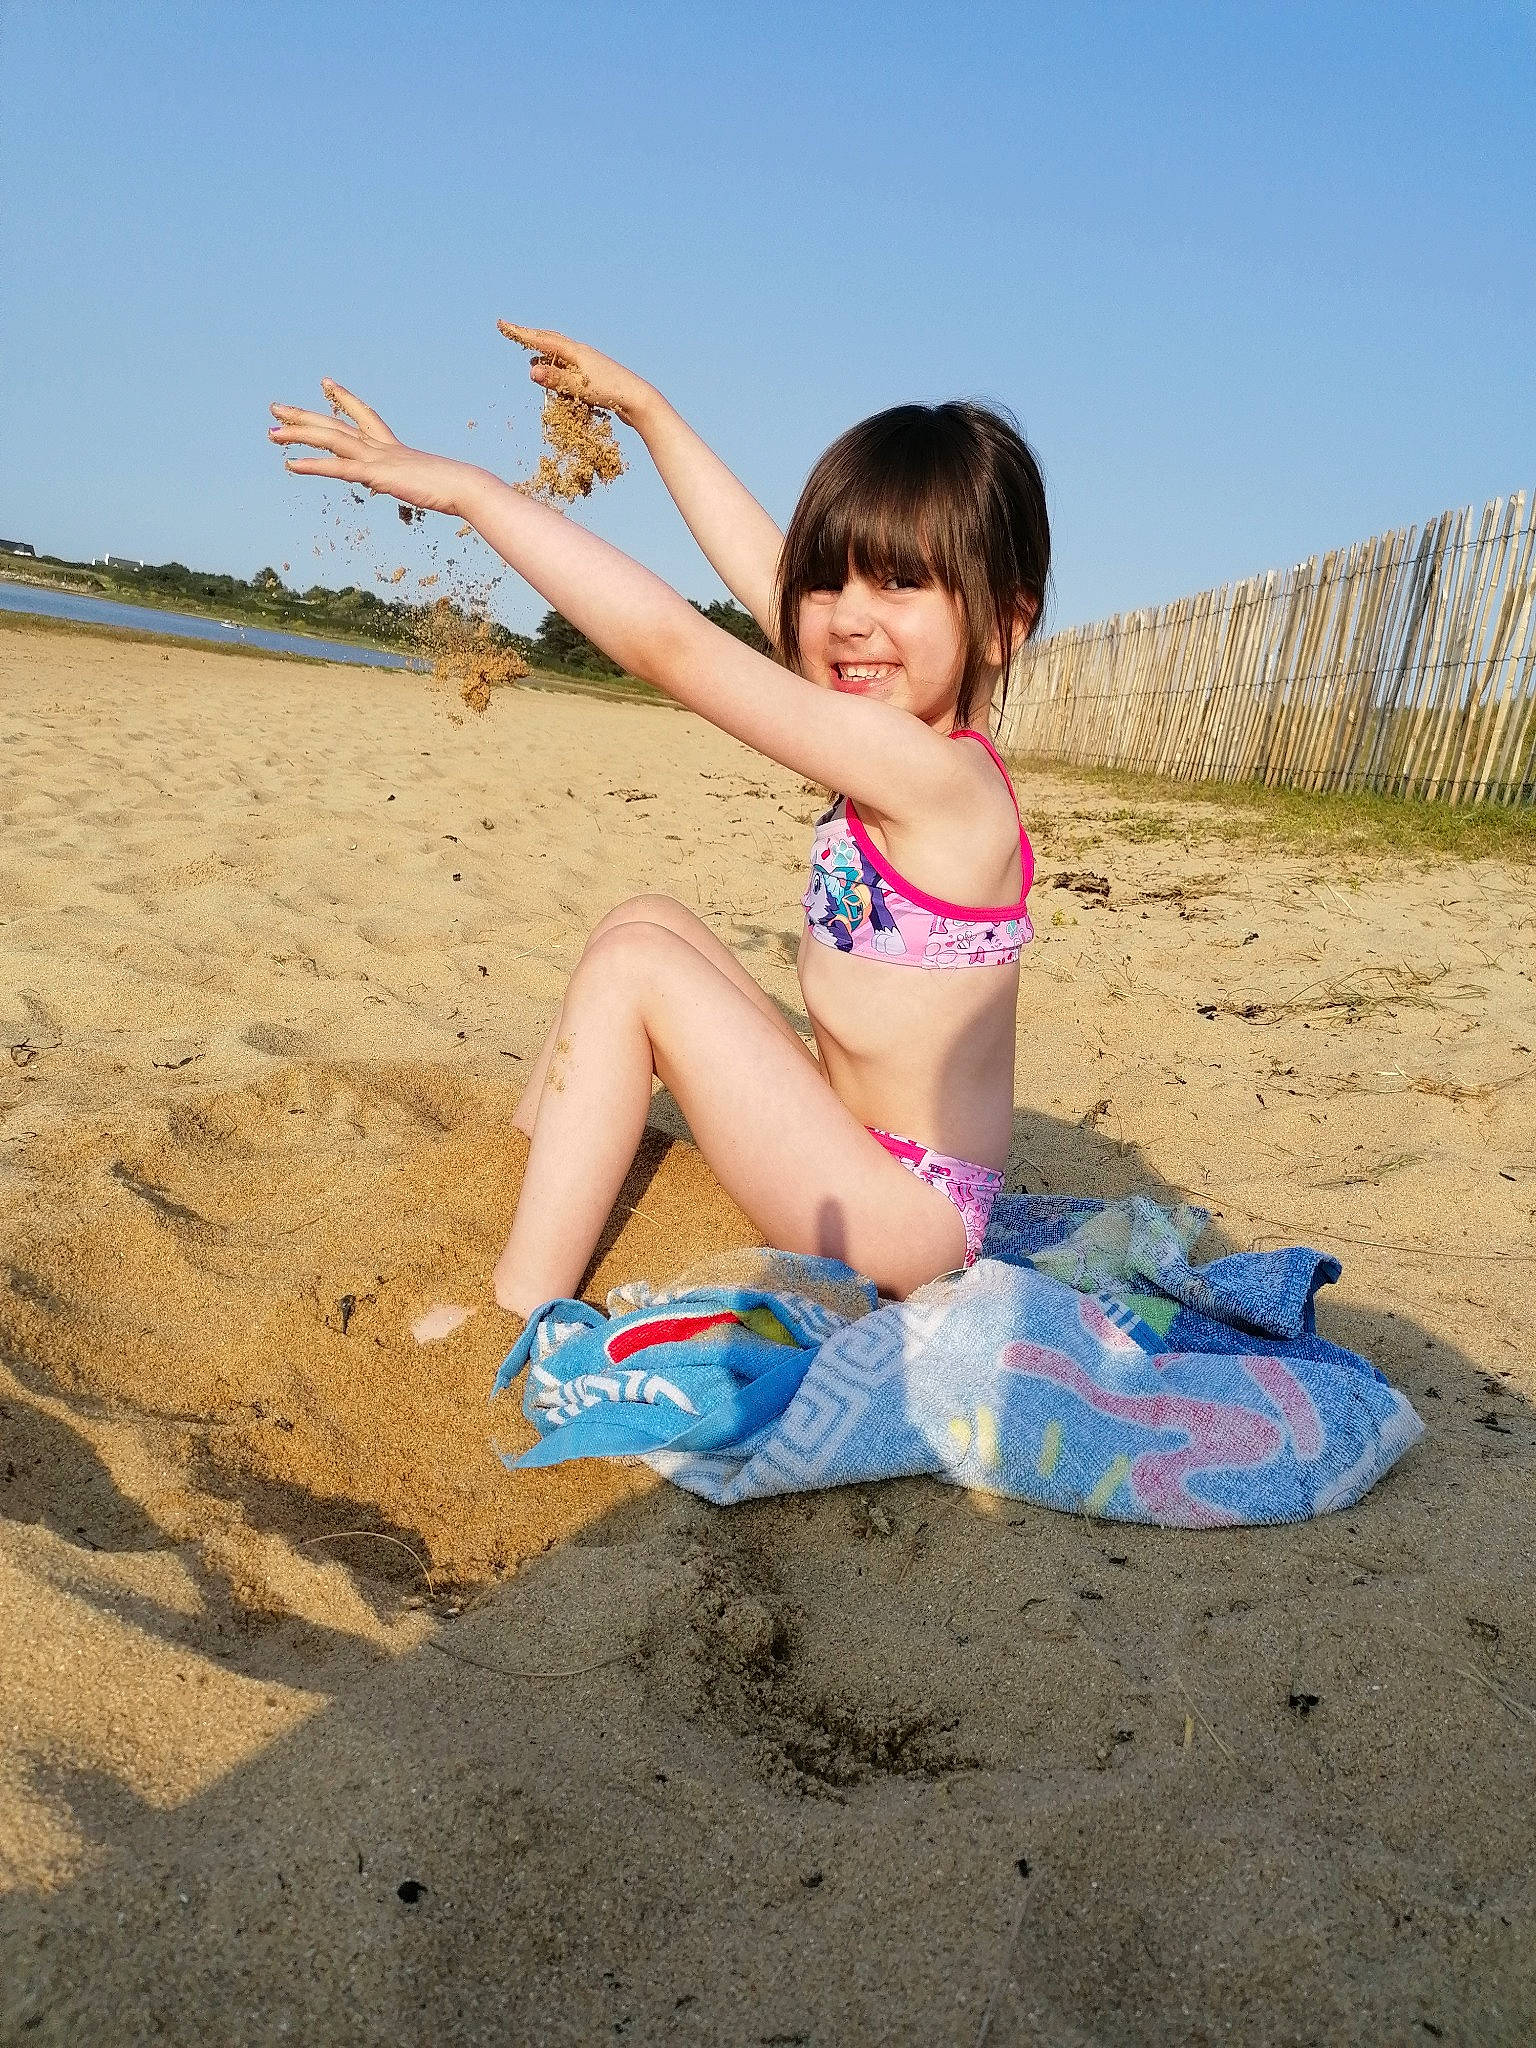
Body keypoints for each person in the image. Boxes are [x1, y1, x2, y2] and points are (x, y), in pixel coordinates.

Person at [269, 331, 1049, 1315]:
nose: (849, 617)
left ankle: (518, 1304)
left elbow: (672, 646)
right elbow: (768, 573)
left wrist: (469, 491)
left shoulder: (937, 780)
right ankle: (526, 1165)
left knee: (634, 970)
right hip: (846, 1145)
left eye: (899, 582)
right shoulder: (882, 709)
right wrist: (645, 411)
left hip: (905, 1220)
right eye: (830, 581)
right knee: (646, 919)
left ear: (1000, 622)